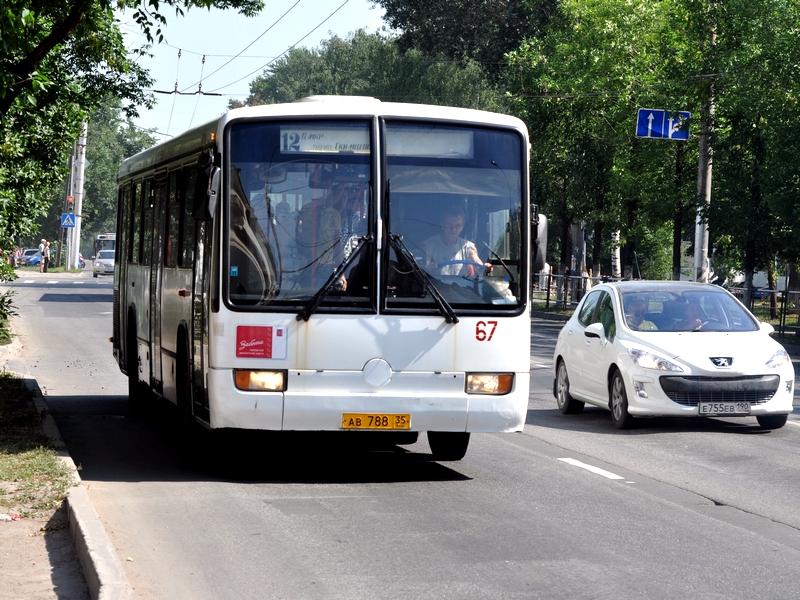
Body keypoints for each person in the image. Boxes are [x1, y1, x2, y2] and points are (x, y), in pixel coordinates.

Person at [421, 208, 492, 277]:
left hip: (462, 288)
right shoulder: (428, 245)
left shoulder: (468, 247)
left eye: (457, 225)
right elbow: (423, 267)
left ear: (462, 227)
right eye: (449, 225)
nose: (453, 229)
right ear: (442, 225)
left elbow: (478, 265)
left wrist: (484, 268)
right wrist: (430, 268)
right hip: (435, 287)